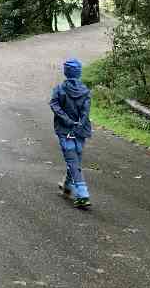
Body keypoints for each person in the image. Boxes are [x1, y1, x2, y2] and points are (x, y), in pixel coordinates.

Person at [50, 58, 93, 208]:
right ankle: (68, 186)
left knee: (73, 160)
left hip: (65, 130)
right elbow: (85, 113)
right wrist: (79, 125)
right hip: (81, 131)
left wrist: (68, 122)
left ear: (66, 72)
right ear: (79, 73)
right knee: (75, 159)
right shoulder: (85, 91)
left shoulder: (59, 89)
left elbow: (54, 106)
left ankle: (83, 194)